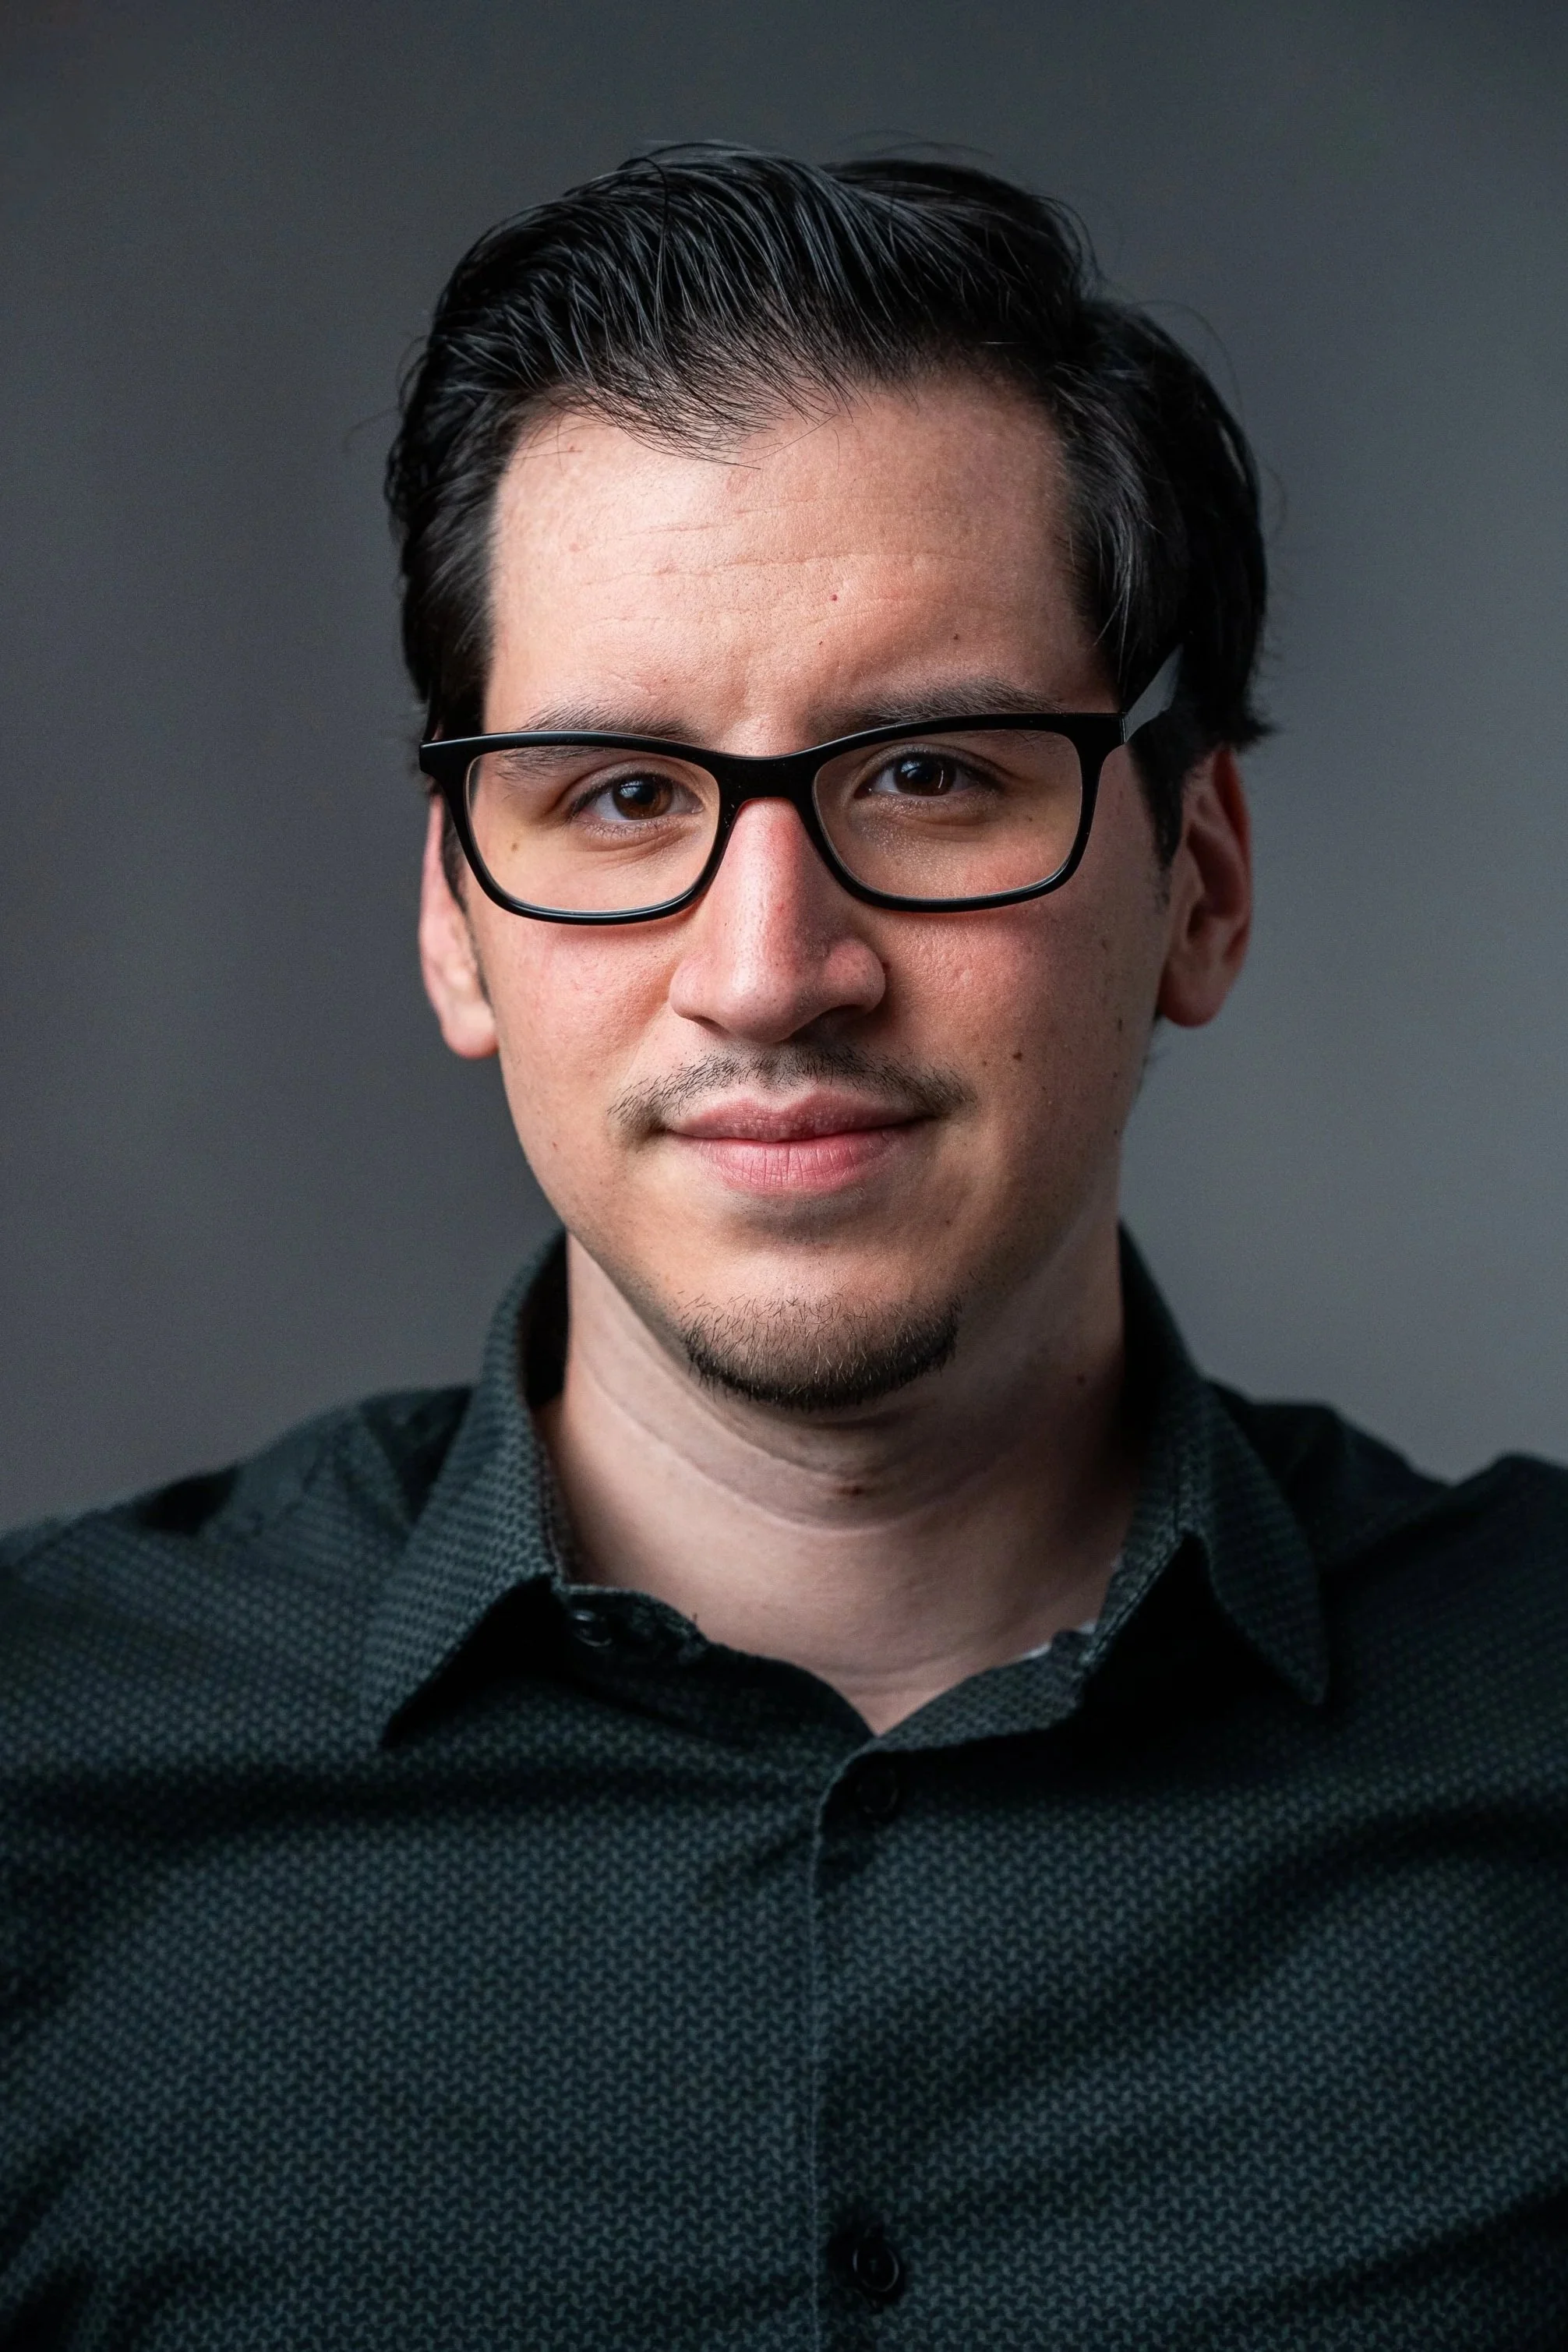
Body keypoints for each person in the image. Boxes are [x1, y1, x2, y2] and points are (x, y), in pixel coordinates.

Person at [2, 147, 1565, 2351]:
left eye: (929, 773)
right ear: (456, 917)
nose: (768, 968)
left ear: (1196, 881)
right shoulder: (38, 1789)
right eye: (618, 795)